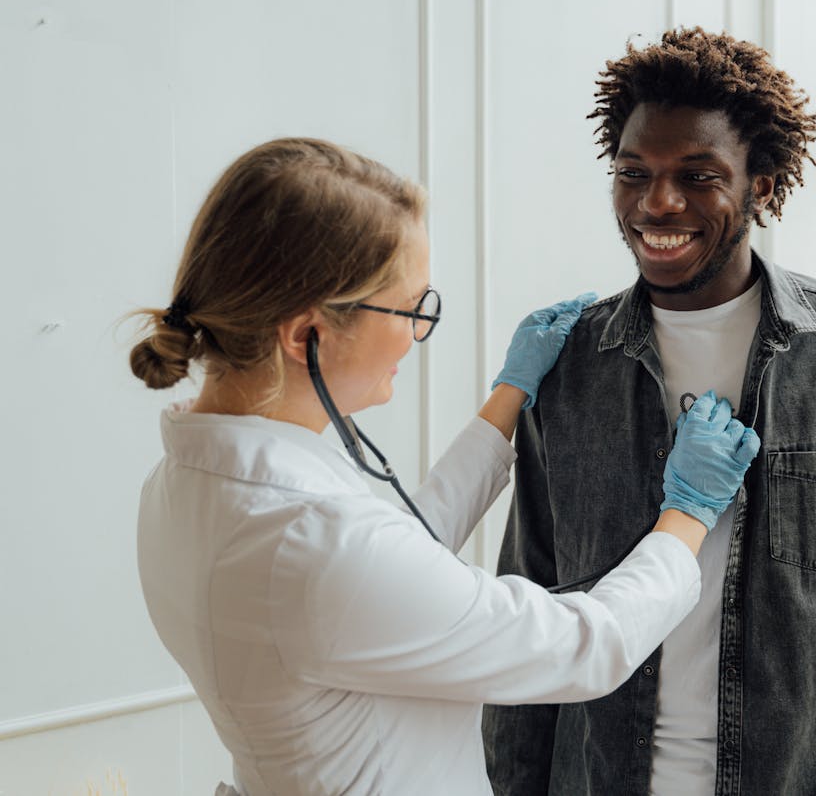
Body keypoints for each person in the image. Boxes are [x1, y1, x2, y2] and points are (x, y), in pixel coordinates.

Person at [129, 137, 761, 795]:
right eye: (408, 308)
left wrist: (508, 397)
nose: (414, 332)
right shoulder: (313, 538)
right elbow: (583, 644)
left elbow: (389, 575)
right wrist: (689, 509)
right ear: (305, 334)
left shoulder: (181, 485)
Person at [482, 28, 816, 795]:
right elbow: (528, 595)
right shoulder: (569, 365)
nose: (656, 203)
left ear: (761, 184)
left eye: (696, 176)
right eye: (633, 174)